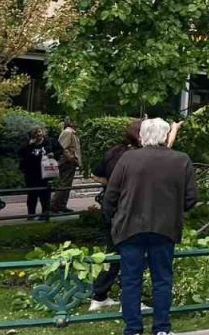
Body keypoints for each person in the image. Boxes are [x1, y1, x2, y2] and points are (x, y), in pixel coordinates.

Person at [102, 118, 198, 335]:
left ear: (143, 136)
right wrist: (173, 208)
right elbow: (191, 199)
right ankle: (162, 329)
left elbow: (111, 195)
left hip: (129, 227)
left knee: (130, 281)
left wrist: (113, 219)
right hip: (165, 227)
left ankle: (133, 329)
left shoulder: (128, 159)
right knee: (162, 280)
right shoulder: (181, 160)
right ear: (165, 136)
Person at [88, 119, 144, 312]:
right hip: (128, 208)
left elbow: (95, 175)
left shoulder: (114, 151)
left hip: (111, 206)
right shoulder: (137, 156)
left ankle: (100, 295)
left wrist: (110, 184)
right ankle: (128, 298)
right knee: (132, 253)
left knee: (113, 251)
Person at [17, 126, 63, 220]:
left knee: (45, 194)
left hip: (45, 173)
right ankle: (31, 214)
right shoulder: (29, 144)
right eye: (36, 133)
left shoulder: (50, 141)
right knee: (32, 195)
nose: (38, 134)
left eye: (39, 132)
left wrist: (53, 154)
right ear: (33, 135)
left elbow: (60, 150)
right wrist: (28, 145)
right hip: (31, 173)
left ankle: (45, 214)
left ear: (43, 132)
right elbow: (20, 153)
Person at [52, 119, 82, 213]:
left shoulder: (72, 132)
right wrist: (70, 158)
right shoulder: (68, 132)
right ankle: (55, 205)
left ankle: (62, 205)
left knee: (67, 184)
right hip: (67, 162)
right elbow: (62, 147)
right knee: (64, 183)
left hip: (70, 162)